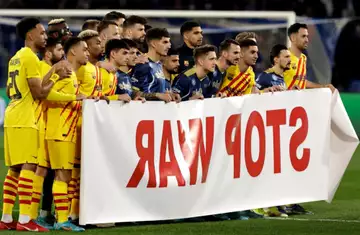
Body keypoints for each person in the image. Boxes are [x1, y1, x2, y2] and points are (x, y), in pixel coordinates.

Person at [0, 17, 70, 231]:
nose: (45, 36)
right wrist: (57, 76)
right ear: (30, 35)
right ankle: (24, 220)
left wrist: (51, 72)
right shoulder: (30, 57)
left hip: (13, 114)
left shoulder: (16, 58)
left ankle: (6, 218)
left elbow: (26, 85)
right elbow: (39, 93)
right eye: (41, 33)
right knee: (29, 166)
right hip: (26, 117)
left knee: (14, 169)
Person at [30, 38, 73, 229]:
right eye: (59, 49)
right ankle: (32, 216)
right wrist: (55, 74)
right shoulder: (39, 67)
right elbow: (41, 94)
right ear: (48, 54)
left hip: (48, 123)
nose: (62, 53)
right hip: (40, 122)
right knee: (39, 170)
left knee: (45, 170)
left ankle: (39, 215)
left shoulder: (51, 67)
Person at [46, 37, 88, 231]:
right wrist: (73, 97)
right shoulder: (65, 71)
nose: (87, 53)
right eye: (84, 49)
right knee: (62, 176)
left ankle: (62, 218)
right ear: (73, 52)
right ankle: (61, 220)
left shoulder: (71, 73)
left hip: (67, 130)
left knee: (66, 175)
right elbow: (47, 94)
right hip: (59, 130)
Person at [284, 23, 335, 92]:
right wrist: (287, 89)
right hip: (287, 100)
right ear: (293, 38)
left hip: (300, 100)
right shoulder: (284, 57)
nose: (306, 40)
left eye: (307, 37)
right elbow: (274, 82)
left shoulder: (303, 58)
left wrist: (322, 86)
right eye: (303, 36)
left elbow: (302, 81)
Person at [131, 28, 178, 102]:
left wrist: (170, 94)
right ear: (153, 44)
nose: (169, 46)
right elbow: (132, 92)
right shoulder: (143, 65)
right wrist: (157, 95)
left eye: (169, 42)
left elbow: (155, 90)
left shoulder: (158, 64)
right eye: (165, 42)